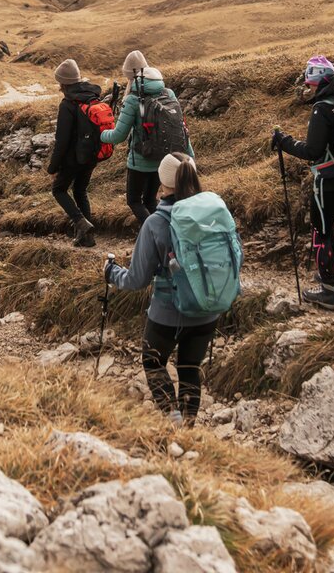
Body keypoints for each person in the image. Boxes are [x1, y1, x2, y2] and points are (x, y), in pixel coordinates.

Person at [106, 152, 221, 427]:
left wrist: (111, 272)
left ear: (163, 180)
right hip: (207, 310)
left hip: (168, 313)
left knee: (154, 363)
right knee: (190, 369)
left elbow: (136, 279)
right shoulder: (213, 211)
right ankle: (188, 429)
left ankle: (173, 420)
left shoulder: (156, 223)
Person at [271, 55, 334, 310]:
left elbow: (313, 150)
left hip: (330, 179)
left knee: (320, 229)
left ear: (319, 81)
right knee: (330, 222)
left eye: (309, 84)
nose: (308, 89)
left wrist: (285, 142)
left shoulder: (322, 107)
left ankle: (328, 290)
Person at [101, 61, 192, 225]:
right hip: (163, 158)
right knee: (150, 200)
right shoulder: (168, 93)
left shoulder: (133, 99)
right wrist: (189, 155)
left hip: (141, 161)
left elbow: (118, 136)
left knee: (134, 201)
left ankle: (155, 233)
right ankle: (167, 230)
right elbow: (180, 127)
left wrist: (101, 135)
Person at [46, 59, 102, 247]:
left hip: (73, 159)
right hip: (91, 155)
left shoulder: (67, 104)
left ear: (63, 82)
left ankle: (80, 222)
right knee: (80, 191)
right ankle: (88, 238)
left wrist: (52, 167)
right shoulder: (92, 96)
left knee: (59, 190)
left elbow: (62, 141)